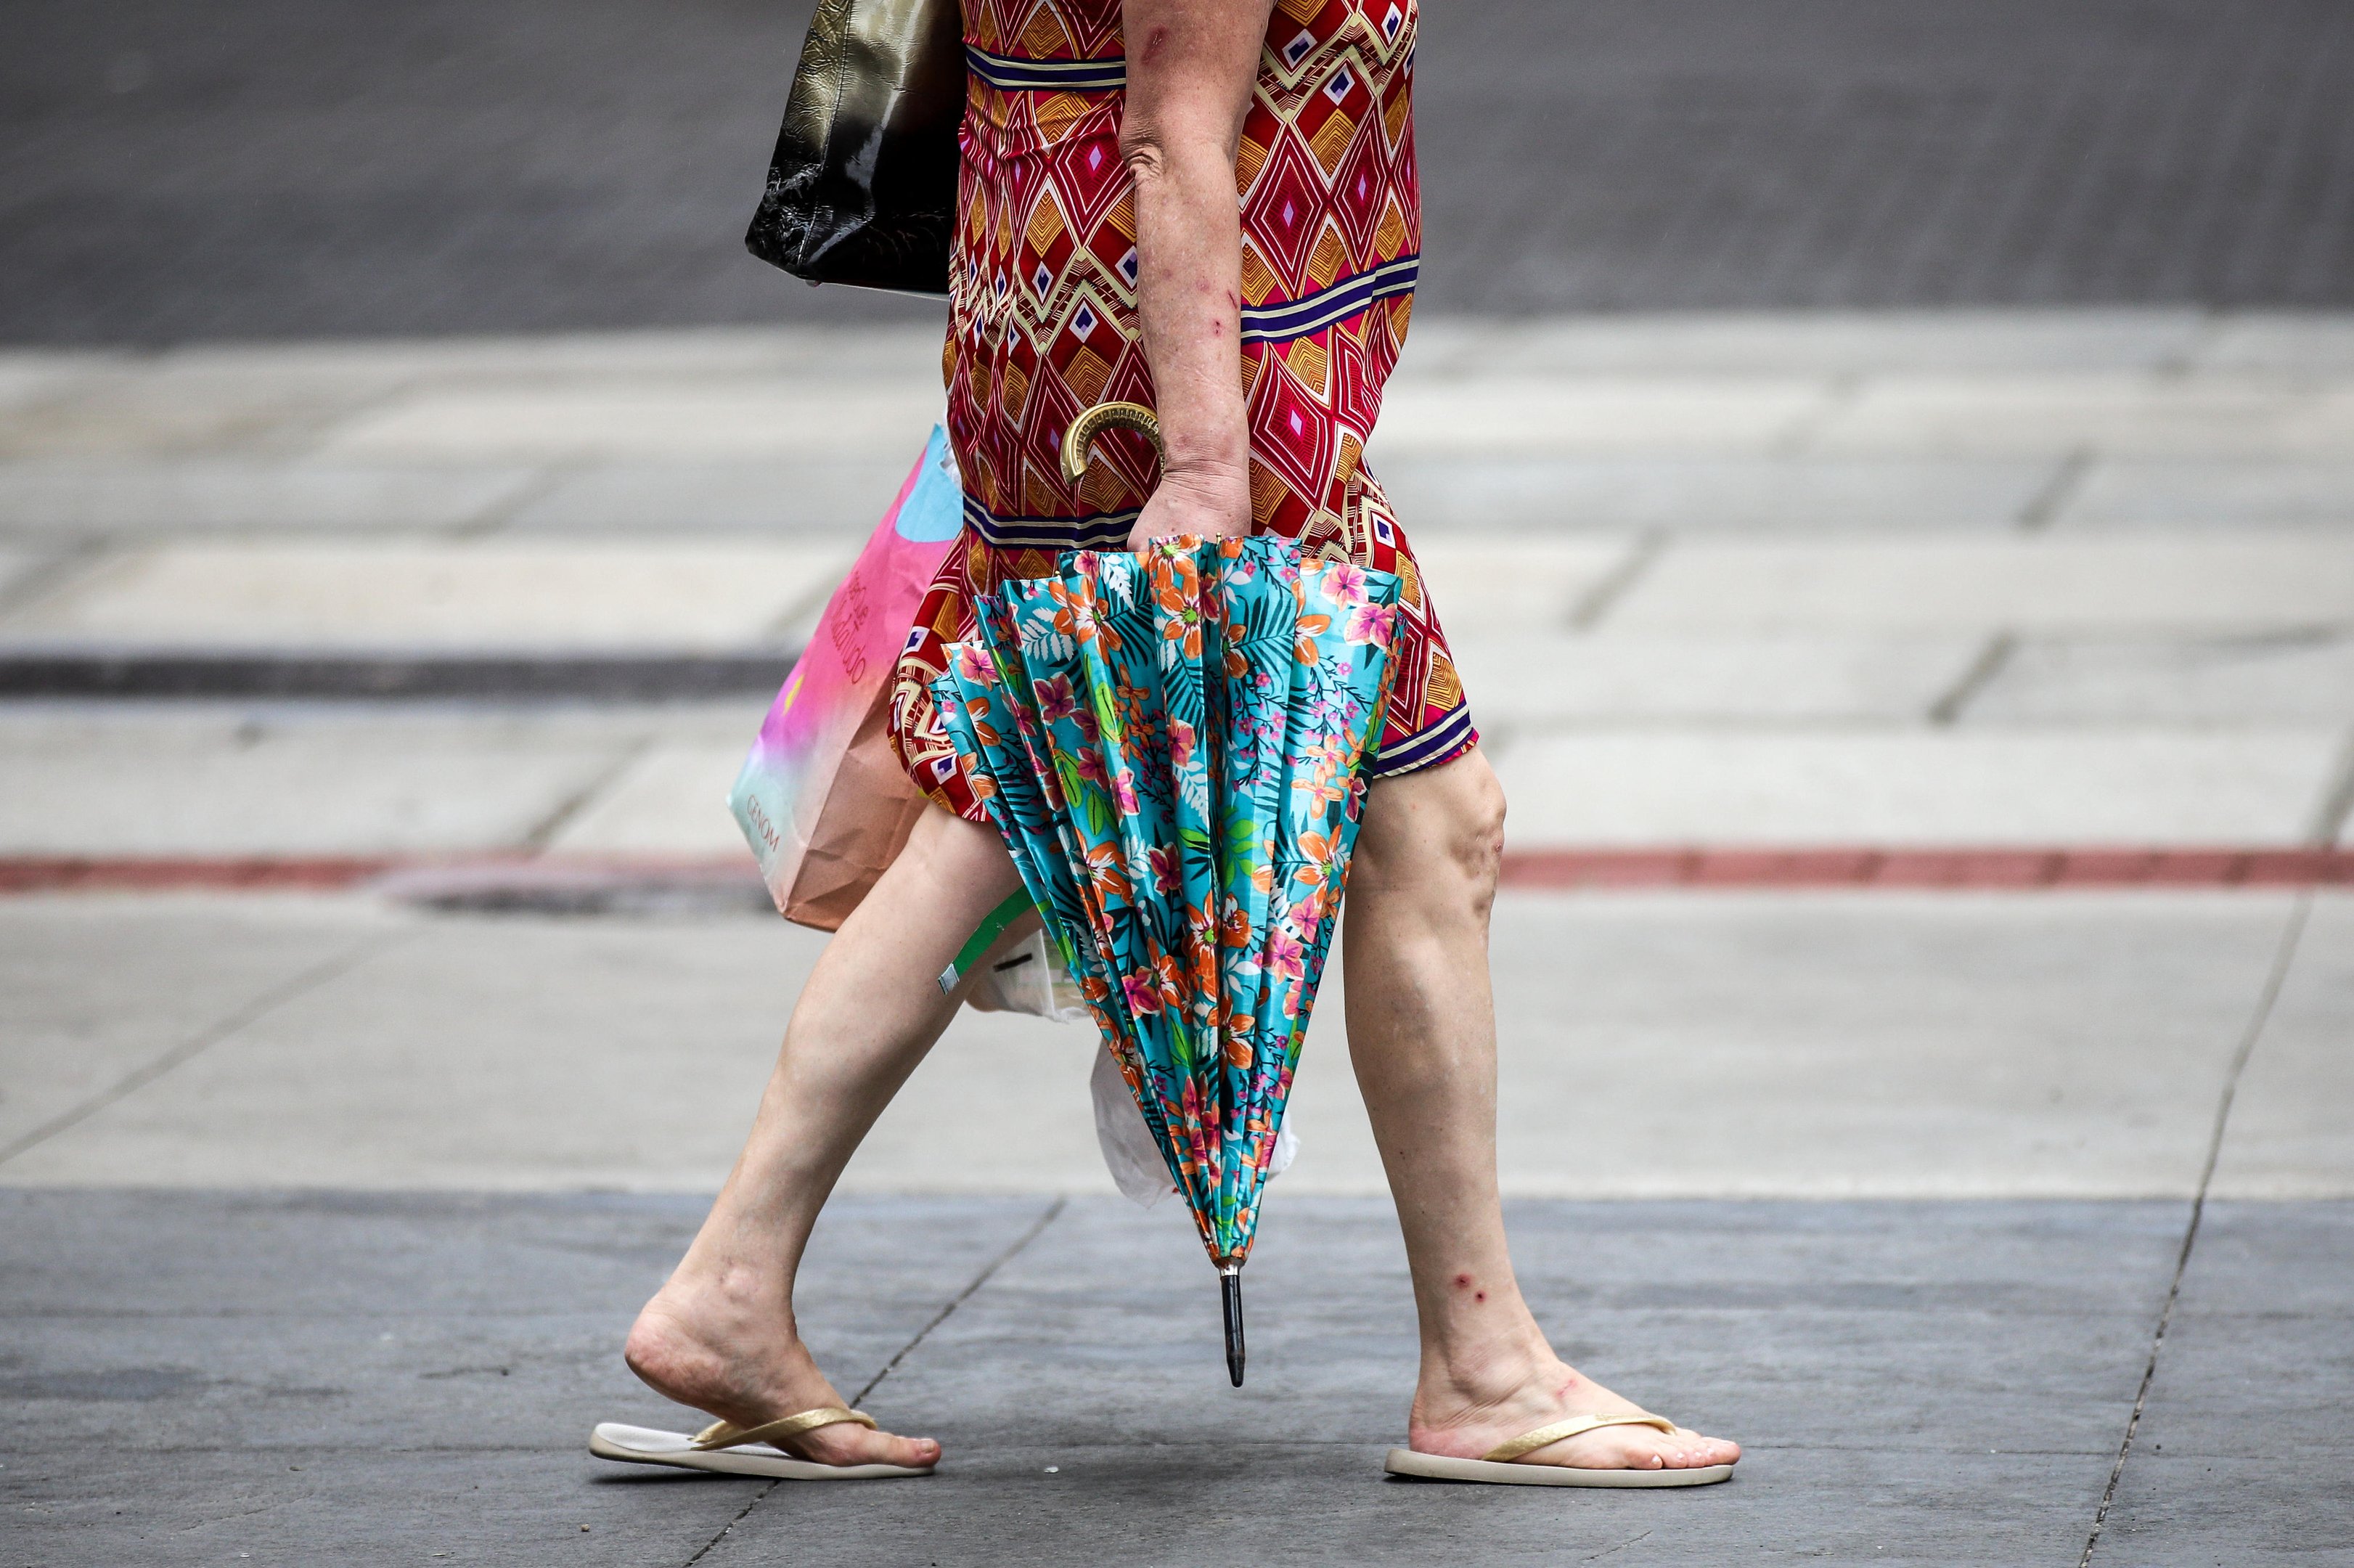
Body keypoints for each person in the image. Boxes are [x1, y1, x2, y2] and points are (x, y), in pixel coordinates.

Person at [614, 0, 1738, 1484]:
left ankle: (731, 1286)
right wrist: (1210, 463)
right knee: (1399, 808)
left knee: (1041, 799)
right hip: (1181, 374)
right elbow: (1169, 125)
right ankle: (1480, 1369)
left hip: (1065, 311)